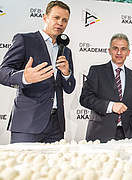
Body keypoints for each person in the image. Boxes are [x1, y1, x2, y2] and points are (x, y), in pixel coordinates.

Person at [0, 1, 75, 143]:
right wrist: (24, 77)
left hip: (56, 126)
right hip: (27, 123)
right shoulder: (25, 40)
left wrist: (66, 73)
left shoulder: (66, 51)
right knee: (22, 165)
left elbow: (69, 88)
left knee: (54, 166)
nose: (60, 23)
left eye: (64, 20)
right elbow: (3, 72)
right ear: (45, 17)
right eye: (56, 17)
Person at [80, 33, 132, 142]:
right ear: (109, 51)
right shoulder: (96, 71)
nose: (119, 52)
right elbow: (85, 99)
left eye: (123, 49)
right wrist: (110, 106)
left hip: (126, 135)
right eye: (115, 48)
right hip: (99, 133)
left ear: (128, 52)